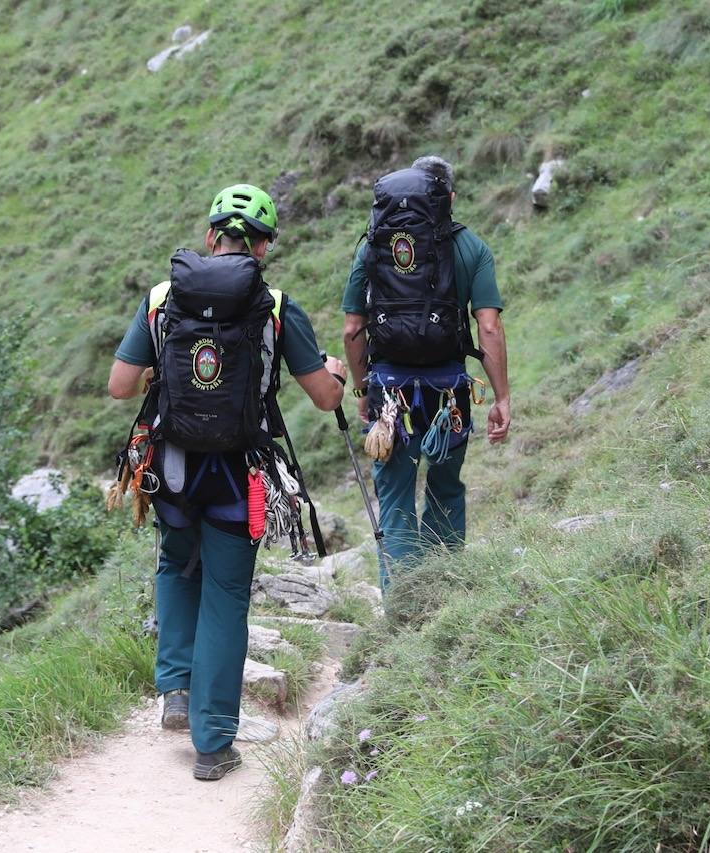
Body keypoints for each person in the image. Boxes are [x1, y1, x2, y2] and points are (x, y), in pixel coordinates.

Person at [109, 184, 346, 781]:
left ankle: (176, 691)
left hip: (170, 467)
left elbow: (119, 384)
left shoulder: (163, 300)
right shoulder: (275, 307)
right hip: (241, 475)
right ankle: (212, 745)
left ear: (212, 235)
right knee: (226, 594)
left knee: (175, 566)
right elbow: (323, 397)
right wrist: (336, 373)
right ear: (261, 247)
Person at [342, 155, 510, 591]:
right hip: (449, 393)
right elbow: (488, 326)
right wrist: (502, 397)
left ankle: (401, 604)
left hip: (388, 395)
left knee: (395, 495)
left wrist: (362, 389)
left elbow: (353, 327)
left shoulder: (373, 244)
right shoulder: (471, 247)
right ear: (448, 198)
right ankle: (445, 596)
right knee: (444, 486)